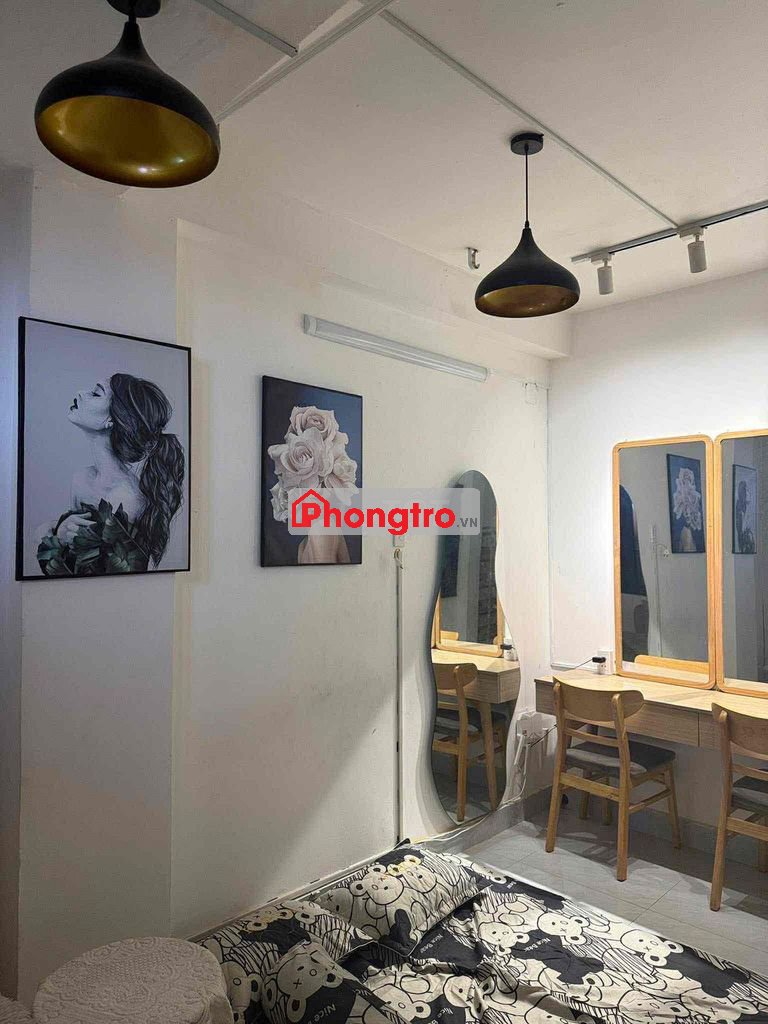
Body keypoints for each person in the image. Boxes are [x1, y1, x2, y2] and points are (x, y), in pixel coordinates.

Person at [37, 373, 184, 575]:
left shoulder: (129, 500)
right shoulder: (81, 479)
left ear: (111, 420)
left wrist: (46, 536)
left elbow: (109, 579)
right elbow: (74, 560)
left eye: (96, 394)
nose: (80, 393)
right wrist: (60, 534)